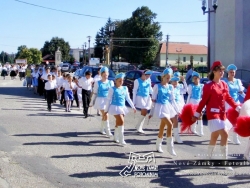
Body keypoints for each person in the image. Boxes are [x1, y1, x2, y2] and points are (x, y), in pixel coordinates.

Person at [192, 61, 241, 169]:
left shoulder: (224, 84)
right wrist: (196, 114)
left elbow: (228, 97)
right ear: (214, 71)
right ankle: (224, 161)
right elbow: (203, 101)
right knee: (225, 134)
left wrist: (237, 107)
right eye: (220, 70)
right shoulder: (208, 86)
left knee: (214, 137)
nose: (222, 72)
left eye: (223, 70)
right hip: (213, 115)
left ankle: (207, 159)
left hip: (222, 114)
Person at [149, 68, 180, 155]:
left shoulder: (170, 87)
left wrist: (177, 110)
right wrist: (151, 112)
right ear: (163, 76)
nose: (168, 79)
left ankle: (158, 144)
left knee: (162, 127)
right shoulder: (157, 86)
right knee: (170, 124)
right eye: (167, 77)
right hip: (160, 107)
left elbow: (172, 100)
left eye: (169, 78)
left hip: (168, 107)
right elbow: (154, 100)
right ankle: (170, 147)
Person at [104, 73, 136, 145]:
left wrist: (133, 106)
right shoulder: (112, 89)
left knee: (118, 122)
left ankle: (115, 137)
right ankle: (122, 139)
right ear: (116, 81)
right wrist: (106, 110)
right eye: (119, 81)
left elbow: (128, 98)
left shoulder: (125, 88)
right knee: (121, 121)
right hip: (115, 107)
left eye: (122, 80)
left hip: (122, 107)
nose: (121, 82)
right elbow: (108, 100)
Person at [90, 67, 114, 136]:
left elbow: (113, 93)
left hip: (108, 100)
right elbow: (94, 93)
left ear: (108, 74)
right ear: (101, 75)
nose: (105, 76)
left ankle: (101, 128)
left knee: (104, 116)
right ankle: (108, 131)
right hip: (100, 100)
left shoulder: (111, 82)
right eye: (104, 75)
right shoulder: (98, 83)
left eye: (106, 75)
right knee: (106, 115)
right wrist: (91, 102)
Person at [224, 64, 245, 145]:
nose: (232, 73)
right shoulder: (225, 81)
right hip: (227, 103)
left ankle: (235, 138)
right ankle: (226, 135)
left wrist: (247, 98)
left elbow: (241, 91)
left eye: (233, 72)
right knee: (227, 120)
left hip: (236, 103)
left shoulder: (238, 81)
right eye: (231, 72)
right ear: (228, 73)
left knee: (236, 120)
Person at [186, 71, 204, 136]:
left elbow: (202, 95)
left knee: (200, 115)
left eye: (196, 78)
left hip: (199, 101)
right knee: (193, 116)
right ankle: (193, 129)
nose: (195, 80)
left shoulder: (202, 86)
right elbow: (189, 93)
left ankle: (201, 131)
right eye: (194, 78)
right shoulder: (191, 86)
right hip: (192, 102)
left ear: (199, 78)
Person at [170, 75, 187, 143]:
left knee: (174, 120)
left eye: (176, 82)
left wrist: (184, 81)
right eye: (173, 82)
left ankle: (175, 137)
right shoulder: (169, 88)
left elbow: (186, 90)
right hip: (170, 106)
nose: (175, 83)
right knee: (171, 122)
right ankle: (171, 136)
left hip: (177, 106)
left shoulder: (179, 88)